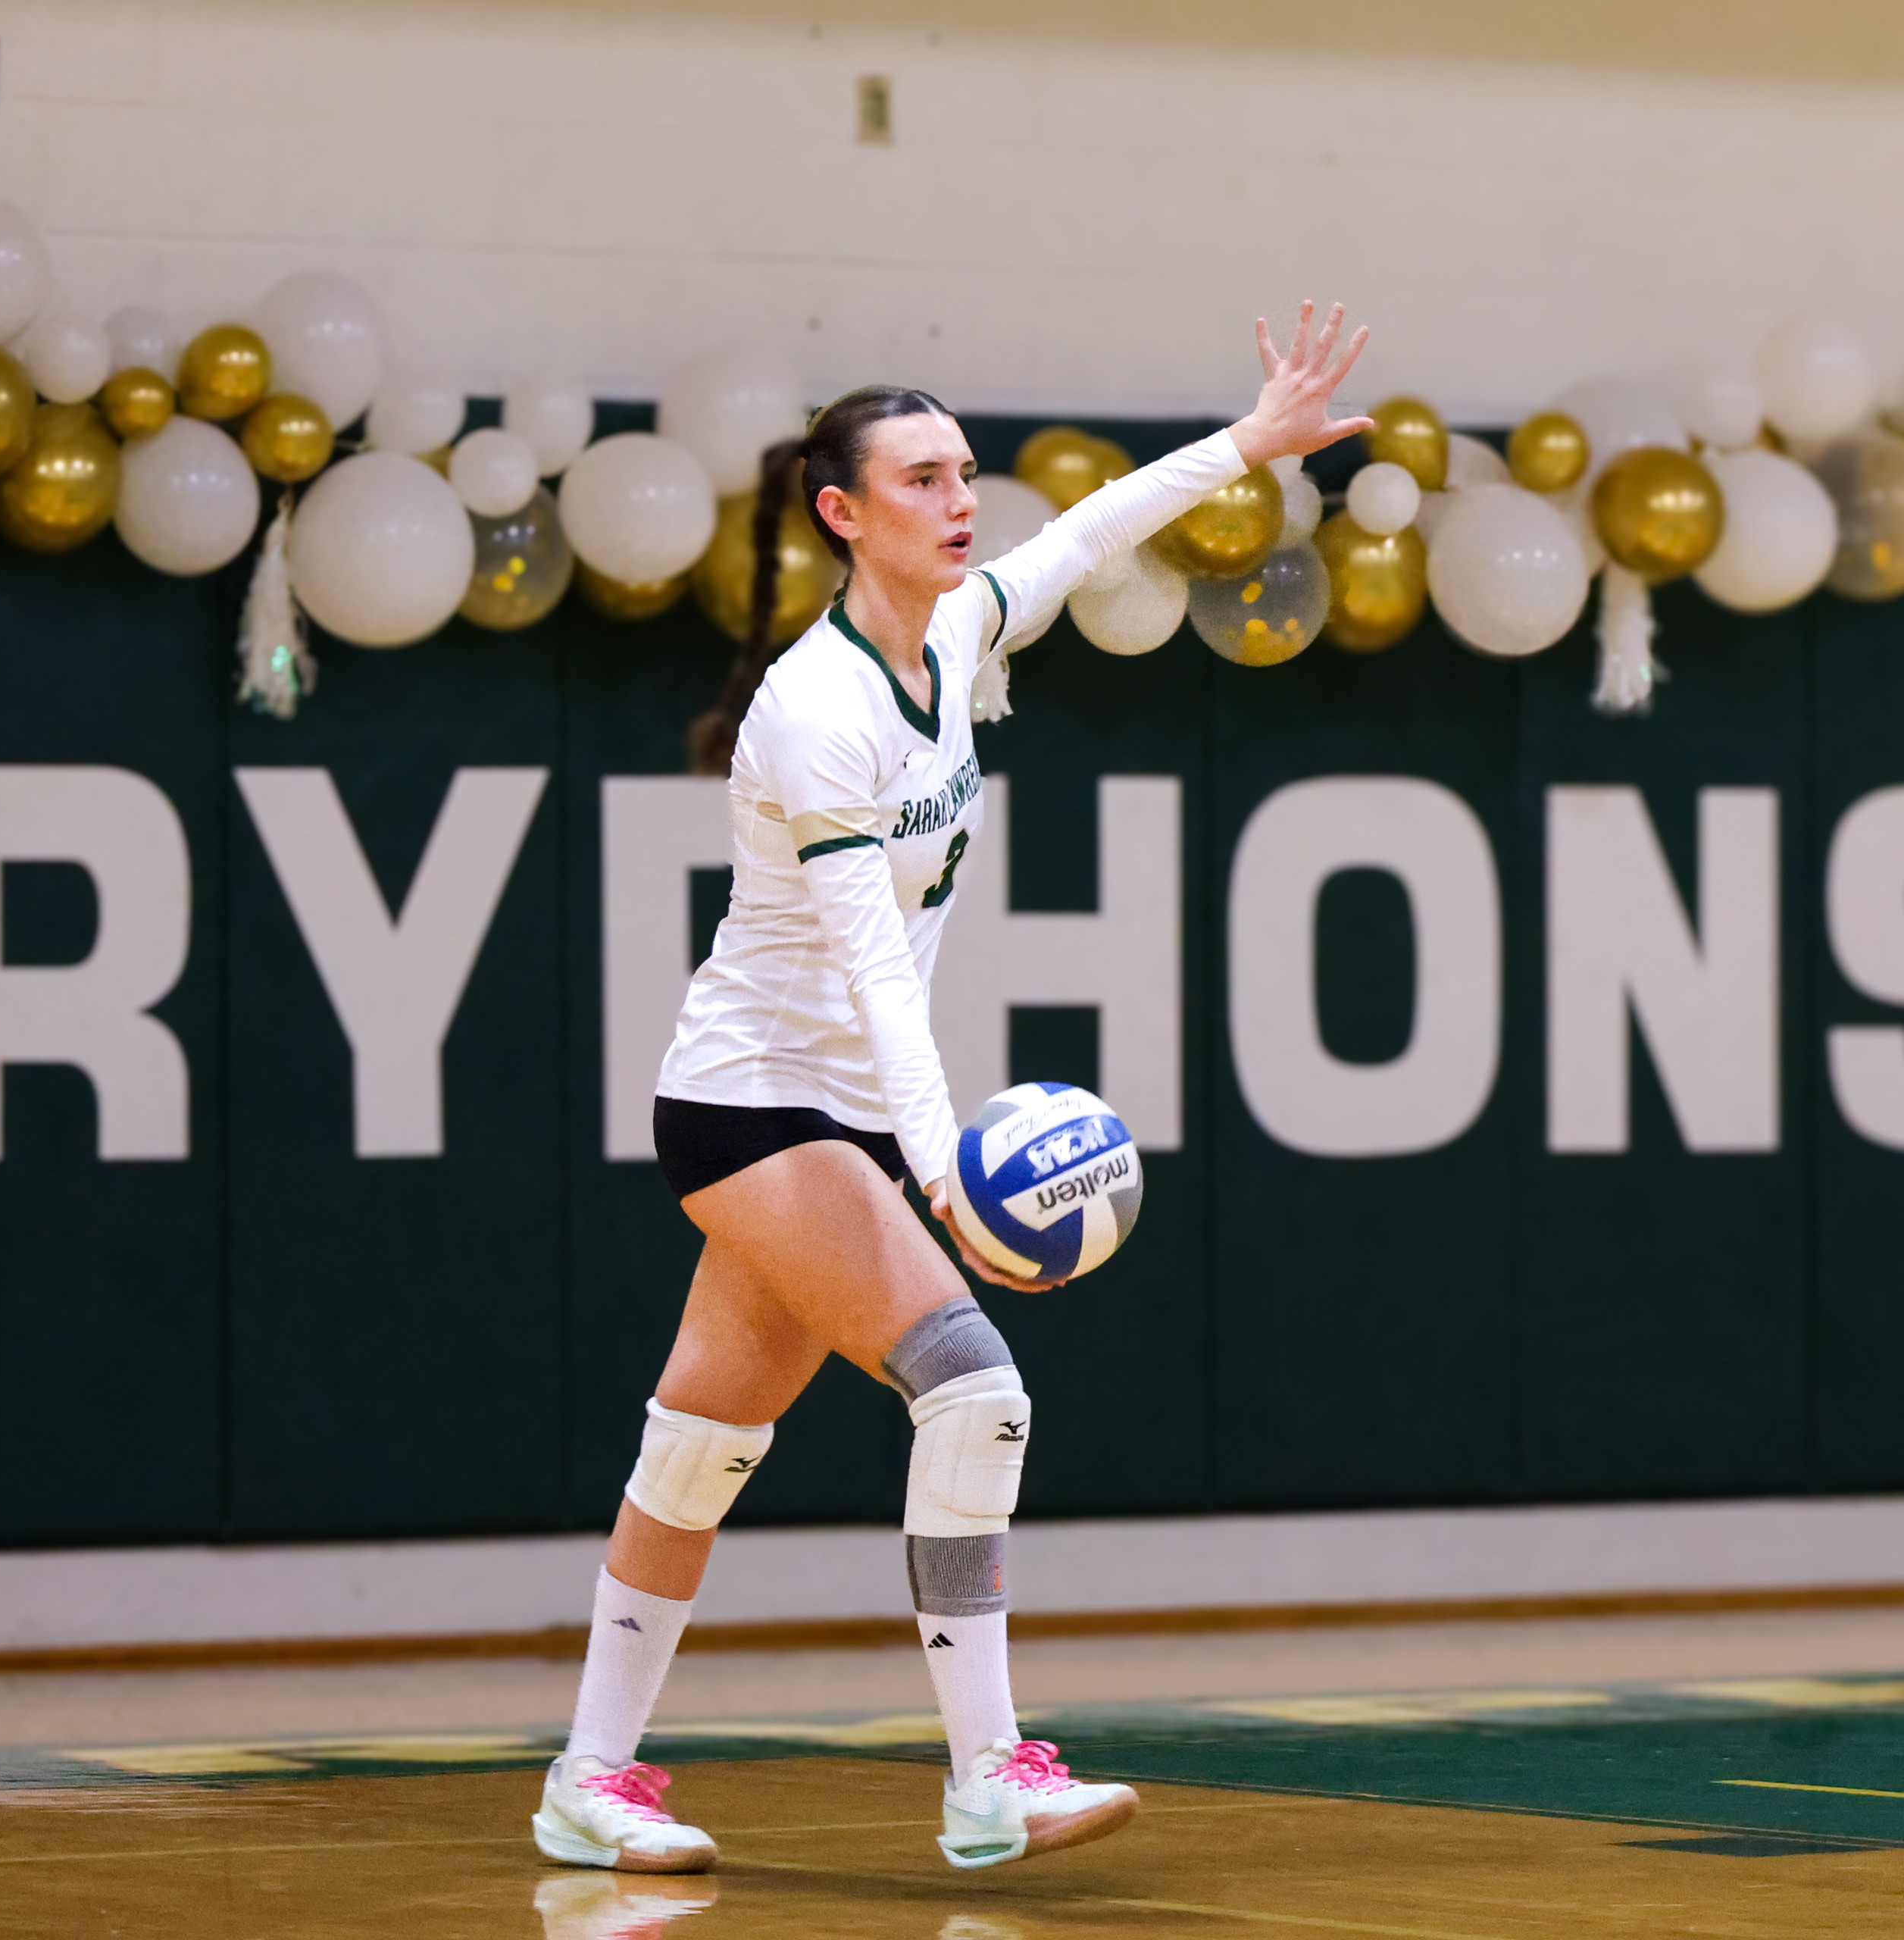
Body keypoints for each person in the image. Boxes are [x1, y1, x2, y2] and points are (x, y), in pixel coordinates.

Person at [533, 302, 1374, 1876]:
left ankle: (586, 1774)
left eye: (965, 470)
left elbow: (1093, 535)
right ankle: (991, 1772)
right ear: (843, 509)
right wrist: (939, 1169)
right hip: (756, 1104)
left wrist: (1244, 443)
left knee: (697, 1448)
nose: (959, 497)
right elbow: (866, 968)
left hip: (838, 1113)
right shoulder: (816, 708)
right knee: (974, 1384)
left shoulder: (962, 634)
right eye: (920, 477)